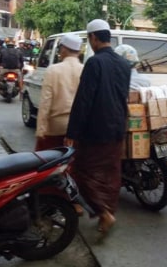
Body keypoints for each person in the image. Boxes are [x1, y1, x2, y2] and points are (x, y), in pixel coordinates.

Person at [65, 19, 131, 236]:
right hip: (117, 127)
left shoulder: (94, 63)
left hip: (95, 130)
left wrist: (72, 132)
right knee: (112, 173)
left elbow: (84, 100)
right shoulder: (123, 63)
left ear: (93, 38)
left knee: (81, 172)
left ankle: (103, 212)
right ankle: (108, 211)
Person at [35, 33, 84, 151]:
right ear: (78, 52)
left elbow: (45, 102)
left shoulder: (53, 70)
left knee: (46, 164)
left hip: (54, 128)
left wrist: (40, 129)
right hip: (77, 128)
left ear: (63, 50)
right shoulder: (85, 69)